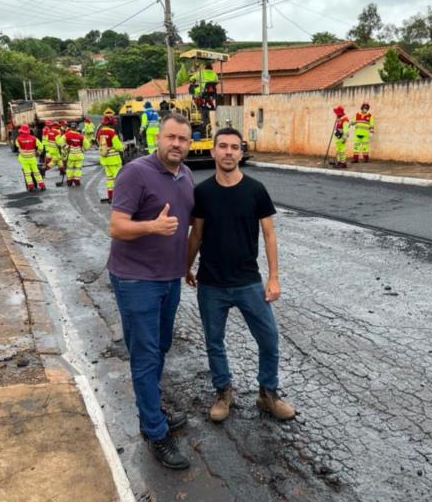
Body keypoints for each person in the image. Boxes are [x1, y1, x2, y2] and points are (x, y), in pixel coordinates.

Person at [186, 127, 295, 424]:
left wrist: (274, 278)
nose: (229, 152)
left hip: (248, 281)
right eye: (223, 146)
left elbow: (269, 235)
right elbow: (196, 234)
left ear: (241, 152)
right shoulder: (203, 192)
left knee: (269, 338)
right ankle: (223, 392)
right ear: (213, 151)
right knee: (214, 341)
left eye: (235, 147)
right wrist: (186, 265)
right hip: (211, 283)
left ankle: (267, 393)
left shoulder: (255, 189)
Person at [108, 112, 195, 470]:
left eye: (183, 139)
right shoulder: (136, 172)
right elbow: (116, 227)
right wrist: (152, 227)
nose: (176, 144)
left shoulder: (187, 175)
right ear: (157, 138)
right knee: (144, 355)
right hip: (136, 279)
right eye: (171, 137)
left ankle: (152, 408)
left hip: (169, 279)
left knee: (159, 347)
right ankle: (155, 431)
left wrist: (187, 266)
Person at [96, 115, 123, 202]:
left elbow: (99, 143)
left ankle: (111, 196)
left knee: (109, 179)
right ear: (111, 123)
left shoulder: (100, 132)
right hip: (114, 160)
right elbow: (118, 146)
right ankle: (119, 197)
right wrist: (123, 146)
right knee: (118, 178)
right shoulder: (112, 133)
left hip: (105, 160)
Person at [15, 124, 45, 191]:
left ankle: (30, 186)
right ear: (28, 131)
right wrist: (38, 153)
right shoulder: (34, 138)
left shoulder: (18, 139)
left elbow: (18, 149)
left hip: (24, 159)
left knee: (27, 173)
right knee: (36, 172)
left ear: (21, 131)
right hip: (32, 158)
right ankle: (42, 185)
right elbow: (41, 147)